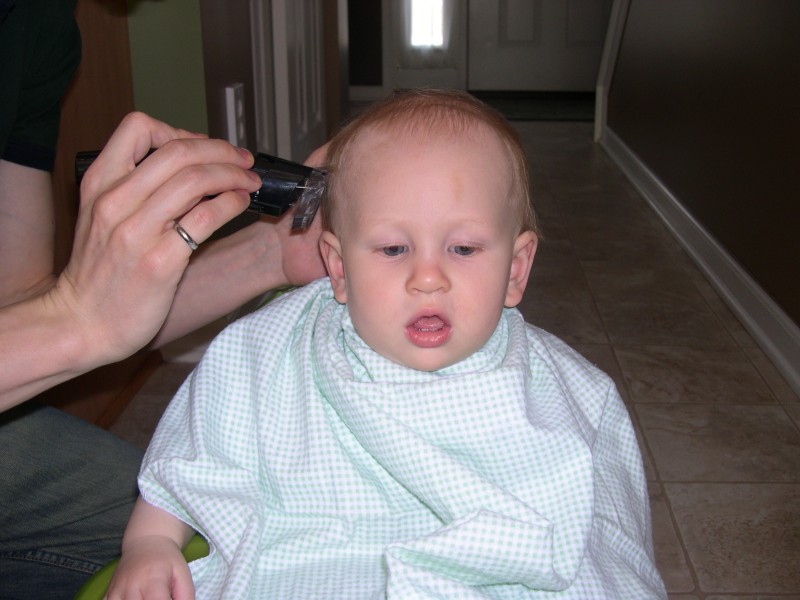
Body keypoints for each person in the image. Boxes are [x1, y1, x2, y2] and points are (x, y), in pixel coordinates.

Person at [108, 89, 667, 598]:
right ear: (338, 266)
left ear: (517, 269)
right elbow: (193, 456)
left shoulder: (565, 389)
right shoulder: (272, 352)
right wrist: (151, 543)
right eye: (394, 249)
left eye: (465, 249)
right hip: (316, 565)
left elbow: (607, 531)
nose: (429, 277)